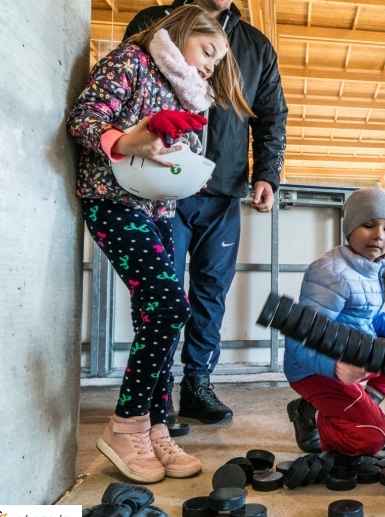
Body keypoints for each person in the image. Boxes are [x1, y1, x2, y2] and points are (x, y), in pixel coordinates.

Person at [67, 6, 253, 483]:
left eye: (217, 61)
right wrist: (126, 142)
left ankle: (155, 426)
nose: (210, 67)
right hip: (112, 201)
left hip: (159, 210)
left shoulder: (184, 94)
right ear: (182, 32)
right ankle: (125, 425)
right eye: (207, 52)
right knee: (171, 308)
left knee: (157, 315)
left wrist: (184, 169)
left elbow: (168, 154)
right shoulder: (130, 60)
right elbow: (84, 118)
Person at [123, 0, 288, 424]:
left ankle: (198, 383)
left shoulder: (256, 47)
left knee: (211, 292)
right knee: (160, 293)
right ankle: (156, 394)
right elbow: (127, 93)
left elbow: (271, 116)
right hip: (162, 186)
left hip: (222, 191)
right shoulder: (152, 22)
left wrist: (267, 174)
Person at [283, 188, 385, 456]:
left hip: (353, 356)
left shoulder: (372, 268)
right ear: (349, 228)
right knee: (372, 438)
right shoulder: (330, 273)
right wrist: (335, 368)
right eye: (368, 225)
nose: (379, 234)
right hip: (314, 369)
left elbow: (366, 315)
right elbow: (299, 337)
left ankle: (347, 408)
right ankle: (316, 415)